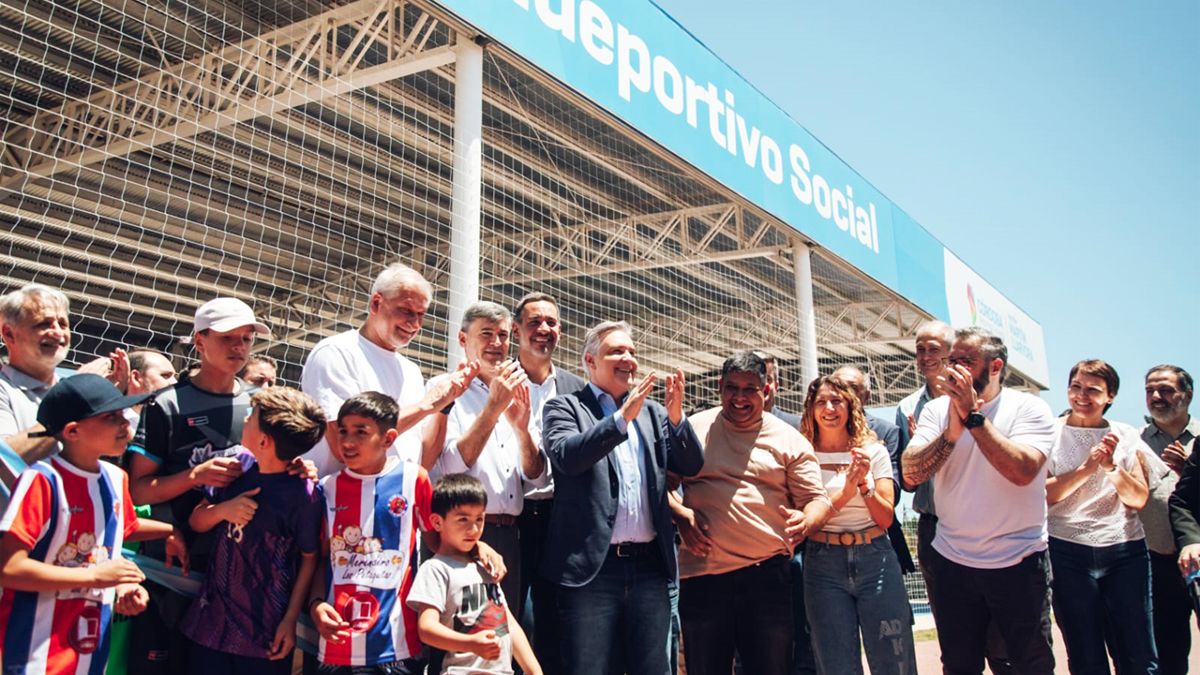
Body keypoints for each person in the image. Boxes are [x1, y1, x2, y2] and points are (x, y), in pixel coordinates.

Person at [540, 320, 703, 675]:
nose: (629, 358)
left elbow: (691, 464)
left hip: (650, 569)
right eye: (617, 351)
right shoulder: (564, 408)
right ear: (590, 361)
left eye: (632, 351)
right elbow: (569, 457)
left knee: (655, 668)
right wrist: (620, 419)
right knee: (589, 668)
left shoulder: (653, 412)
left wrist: (677, 419)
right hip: (592, 574)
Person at [0, 374, 187, 674]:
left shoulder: (116, 478)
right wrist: (96, 576)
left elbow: (119, 532)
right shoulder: (42, 480)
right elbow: (9, 568)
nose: (125, 422)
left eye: (124, 413)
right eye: (111, 417)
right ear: (72, 431)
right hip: (35, 653)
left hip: (91, 652)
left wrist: (126, 584)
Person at [125, 296, 271, 669]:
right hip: (175, 564)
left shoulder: (261, 405)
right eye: (227, 338)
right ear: (199, 340)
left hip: (243, 570)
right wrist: (195, 476)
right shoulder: (167, 405)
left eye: (247, 338)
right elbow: (138, 490)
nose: (239, 347)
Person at [902, 327, 1057, 674]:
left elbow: (1022, 471)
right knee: (959, 665)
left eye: (966, 361)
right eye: (952, 360)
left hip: (1019, 560)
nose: (954, 368)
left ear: (995, 366)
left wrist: (973, 419)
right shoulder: (936, 411)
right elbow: (911, 474)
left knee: (1029, 664)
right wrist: (951, 432)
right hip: (953, 561)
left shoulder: (1029, 408)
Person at [670, 351, 830, 675]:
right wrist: (681, 516)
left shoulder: (790, 440)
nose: (739, 398)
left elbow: (817, 500)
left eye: (749, 389)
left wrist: (806, 520)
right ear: (720, 386)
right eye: (732, 388)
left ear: (766, 391)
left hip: (767, 579)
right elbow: (661, 485)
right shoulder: (692, 430)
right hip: (703, 579)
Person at [179, 386, 327, 674]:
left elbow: (309, 558)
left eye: (251, 416)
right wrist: (222, 511)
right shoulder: (237, 467)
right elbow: (196, 521)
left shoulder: (304, 494)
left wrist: (290, 619)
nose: (245, 419)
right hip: (211, 625)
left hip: (265, 635)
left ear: (263, 440)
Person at [301, 262, 476, 477]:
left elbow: (424, 461)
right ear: (376, 303)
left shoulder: (411, 371)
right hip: (344, 496)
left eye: (421, 314)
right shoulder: (336, 353)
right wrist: (426, 405)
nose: (414, 324)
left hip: (399, 495)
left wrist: (444, 405)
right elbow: (343, 446)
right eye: (406, 311)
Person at [425, 301, 546, 612]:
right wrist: (493, 409)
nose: (496, 343)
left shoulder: (521, 391)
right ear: (462, 339)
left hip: (512, 535)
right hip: (462, 534)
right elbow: (451, 468)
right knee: (467, 628)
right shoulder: (443, 388)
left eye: (503, 335)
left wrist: (522, 431)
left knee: (505, 628)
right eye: (486, 334)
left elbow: (537, 476)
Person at [1045, 359, 1157, 674]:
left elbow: (1138, 498)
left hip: (1125, 551)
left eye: (1093, 390)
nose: (1082, 395)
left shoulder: (1126, 435)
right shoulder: (1049, 432)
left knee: (1138, 654)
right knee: (1085, 654)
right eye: (1075, 387)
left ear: (1110, 396)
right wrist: (1087, 468)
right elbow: (1043, 494)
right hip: (1066, 551)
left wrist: (1110, 466)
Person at [799, 375, 914, 674]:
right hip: (822, 563)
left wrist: (865, 487)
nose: (829, 408)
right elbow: (807, 521)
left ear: (850, 406)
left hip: (875, 556)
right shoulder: (802, 454)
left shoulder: (873, 451)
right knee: (835, 664)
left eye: (837, 401)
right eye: (821, 402)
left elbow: (885, 518)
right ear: (811, 409)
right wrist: (846, 491)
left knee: (894, 660)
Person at [511, 292, 587, 675]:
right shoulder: (497, 381)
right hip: (513, 519)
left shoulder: (578, 389)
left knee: (557, 624)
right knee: (513, 620)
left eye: (551, 322)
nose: (544, 329)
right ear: (516, 330)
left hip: (561, 519)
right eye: (534, 322)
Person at [0, 284, 127, 500]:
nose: (57, 332)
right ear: (9, 333)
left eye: (63, 324)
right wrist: (74, 399)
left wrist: (116, 401)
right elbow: (5, 458)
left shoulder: (70, 388)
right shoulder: (4, 389)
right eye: (44, 324)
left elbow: (121, 445)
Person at [408, 473, 542, 675]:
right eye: (463, 519)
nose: (473, 528)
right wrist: (470, 643)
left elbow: (508, 625)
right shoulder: (435, 569)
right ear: (437, 522)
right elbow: (426, 629)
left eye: (479, 519)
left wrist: (534, 671)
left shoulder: (485, 566)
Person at [831, 365, 915, 577]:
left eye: (852, 387)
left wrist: (861, 485)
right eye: (839, 386)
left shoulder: (886, 432)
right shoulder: (815, 431)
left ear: (867, 396)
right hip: (825, 542)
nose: (846, 393)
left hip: (878, 539)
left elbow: (893, 492)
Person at [1141, 364, 1198, 674]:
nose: (1156, 397)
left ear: (1187, 395)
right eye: (1150, 390)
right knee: (1168, 650)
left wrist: (1191, 471)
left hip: (1197, 555)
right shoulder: (1133, 441)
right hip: (1155, 558)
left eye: (1165, 390)